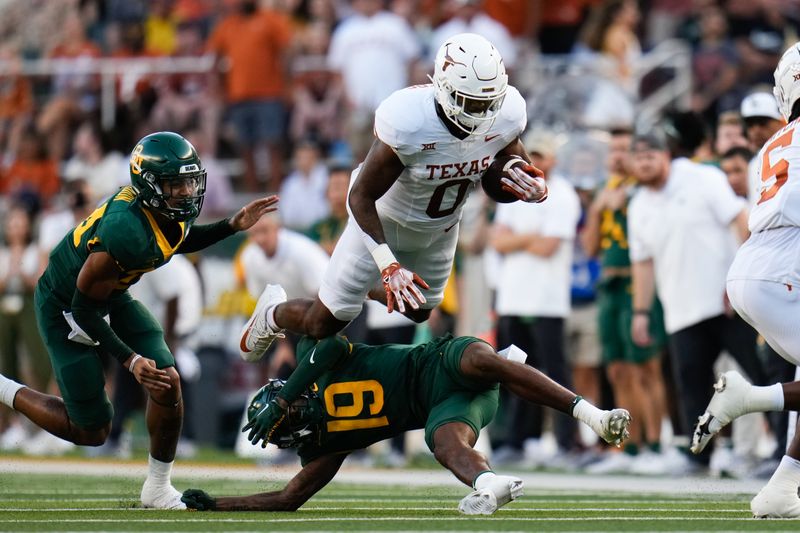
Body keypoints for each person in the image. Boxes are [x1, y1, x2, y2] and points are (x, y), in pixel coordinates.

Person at [0, 131, 279, 509]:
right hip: (64, 306)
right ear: (149, 186)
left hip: (110, 295)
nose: (185, 191)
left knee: (168, 381)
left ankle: (158, 488)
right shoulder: (124, 231)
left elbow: (177, 239)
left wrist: (231, 225)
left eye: (188, 181)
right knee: (91, 429)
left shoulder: (160, 209)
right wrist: (130, 360)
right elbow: (83, 308)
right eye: (175, 184)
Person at [238, 33, 548, 362]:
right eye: (471, 103)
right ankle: (273, 313)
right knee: (324, 321)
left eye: (488, 103)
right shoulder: (409, 122)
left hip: (440, 227)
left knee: (418, 311)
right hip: (381, 219)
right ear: (443, 87)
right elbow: (360, 197)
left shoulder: (507, 113)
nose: (481, 114)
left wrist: (531, 187)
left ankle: (361, 288)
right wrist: (388, 267)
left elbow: (507, 168)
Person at [181, 332, 631, 514]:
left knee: (481, 358)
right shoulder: (324, 444)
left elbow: (332, 342)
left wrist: (291, 389)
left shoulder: (313, 366)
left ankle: (593, 415)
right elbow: (288, 497)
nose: (295, 412)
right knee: (445, 446)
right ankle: (489, 482)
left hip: (440, 362)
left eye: (289, 406)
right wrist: (217, 504)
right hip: (445, 408)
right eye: (289, 419)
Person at [692, 42, 800, 518]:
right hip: (786, 268)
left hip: (756, 266)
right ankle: (749, 397)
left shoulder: (775, 144)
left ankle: (783, 488)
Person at [627, 127, 764, 476]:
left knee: (761, 372)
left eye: (650, 156)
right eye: (638, 158)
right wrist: (641, 311)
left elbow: (739, 220)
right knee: (691, 384)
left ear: (665, 155)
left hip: (726, 300)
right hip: (680, 308)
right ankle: (699, 456)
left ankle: (783, 449)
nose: (644, 164)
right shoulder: (638, 204)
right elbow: (642, 263)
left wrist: (741, 278)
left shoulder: (702, 177)